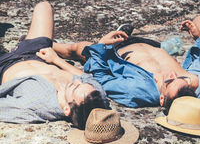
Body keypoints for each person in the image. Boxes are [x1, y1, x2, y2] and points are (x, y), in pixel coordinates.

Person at [53, 17, 200, 112]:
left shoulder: (137, 91)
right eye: (180, 78)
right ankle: (122, 33)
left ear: (162, 99)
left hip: (118, 50)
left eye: (169, 81)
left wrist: (101, 46)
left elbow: (102, 79)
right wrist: (196, 35)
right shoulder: (193, 85)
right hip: (153, 45)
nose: (172, 74)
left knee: (78, 48)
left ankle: (44, 44)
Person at [0, 1, 108, 129]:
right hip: (38, 54)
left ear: (67, 109)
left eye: (75, 87)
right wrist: (56, 60)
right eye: (83, 84)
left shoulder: (35, 106)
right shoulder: (96, 97)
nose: (78, 81)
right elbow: (87, 78)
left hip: (3, 66)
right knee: (44, 7)